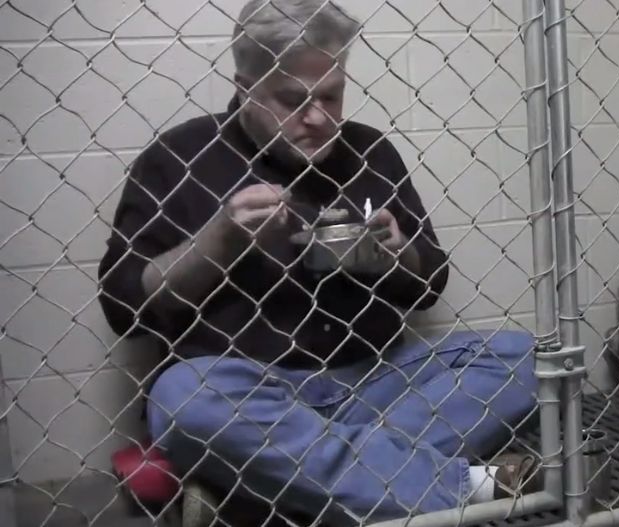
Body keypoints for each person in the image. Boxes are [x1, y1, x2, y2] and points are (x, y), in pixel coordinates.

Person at [97, 0, 541, 524]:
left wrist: (396, 255)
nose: (319, 118)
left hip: (377, 381)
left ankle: (260, 487)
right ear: (245, 89)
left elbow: (429, 284)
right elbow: (123, 308)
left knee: (528, 357)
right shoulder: (177, 156)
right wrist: (216, 242)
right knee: (182, 398)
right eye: (293, 100)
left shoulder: (371, 151)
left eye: (331, 96)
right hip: (250, 394)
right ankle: (465, 486)